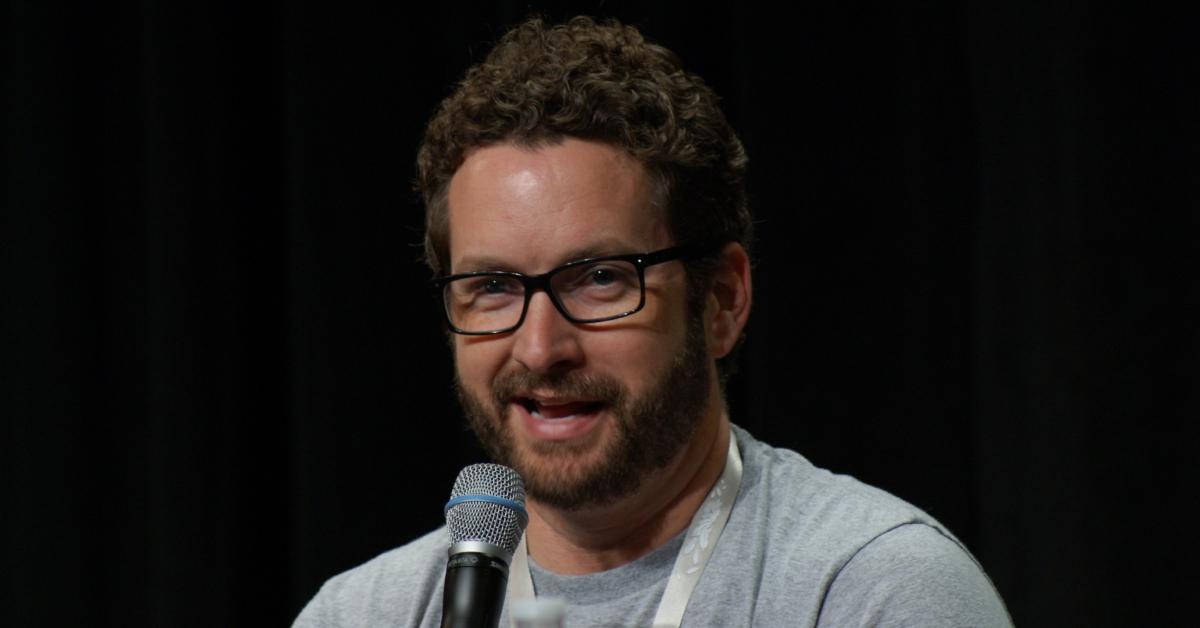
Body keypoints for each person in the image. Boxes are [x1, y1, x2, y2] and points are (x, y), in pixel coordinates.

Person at [294, 16, 1012, 627]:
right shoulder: (361, 613)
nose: (540, 348)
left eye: (601, 279)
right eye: (492, 287)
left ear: (722, 301)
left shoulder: (871, 593)